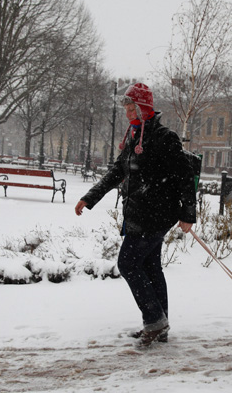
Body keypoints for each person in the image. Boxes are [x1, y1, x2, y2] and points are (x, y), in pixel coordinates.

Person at [74, 83, 197, 347]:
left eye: (133, 108)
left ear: (144, 108)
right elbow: (117, 171)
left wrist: (188, 213)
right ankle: (160, 324)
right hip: (137, 213)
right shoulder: (133, 135)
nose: (129, 112)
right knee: (151, 267)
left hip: (158, 214)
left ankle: (154, 320)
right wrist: (90, 197)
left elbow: (186, 176)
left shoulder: (165, 137)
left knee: (128, 263)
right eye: (127, 109)